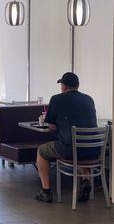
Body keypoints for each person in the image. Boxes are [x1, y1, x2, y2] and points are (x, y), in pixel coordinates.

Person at [35, 72, 98, 203]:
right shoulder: (89, 99)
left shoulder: (56, 99)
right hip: (93, 149)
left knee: (41, 151)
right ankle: (85, 180)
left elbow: (51, 126)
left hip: (69, 149)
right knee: (80, 146)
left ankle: (45, 191)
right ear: (78, 85)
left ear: (63, 86)